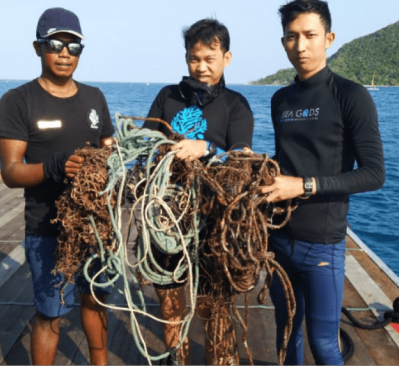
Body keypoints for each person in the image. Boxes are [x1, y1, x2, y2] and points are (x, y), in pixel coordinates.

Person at [259, 0, 385, 365]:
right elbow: (286, 160)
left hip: (322, 245)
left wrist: (303, 186)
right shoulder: (281, 98)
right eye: (291, 37)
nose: (301, 46)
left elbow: (374, 173)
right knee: (286, 334)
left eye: (310, 35)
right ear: (283, 41)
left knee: (324, 343)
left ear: (328, 38)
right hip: (278, 237)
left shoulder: (351, 95)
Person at [0, 8, 114, 366]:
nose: (65, 52)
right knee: (50, 313)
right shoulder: (17, 101)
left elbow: (110, 149)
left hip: (95, 225)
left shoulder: (95, 98)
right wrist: (54, 167)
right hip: (46, 228)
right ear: (38, 48)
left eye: (74, 46)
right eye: (55, 43)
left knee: (95, 301)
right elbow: (10, 172)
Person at [143, 18, 254, 365]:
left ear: (227, 58)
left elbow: (242, 162)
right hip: (166, 220)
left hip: (214, 221)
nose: (202, 66)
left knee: (213, 304)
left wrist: (206, 148)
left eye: (210, 58)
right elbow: (145, 145)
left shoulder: (237, 105)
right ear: (186, 58)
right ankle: (178, 359)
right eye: (195, 58)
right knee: (170, 303)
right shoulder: (167, 96)